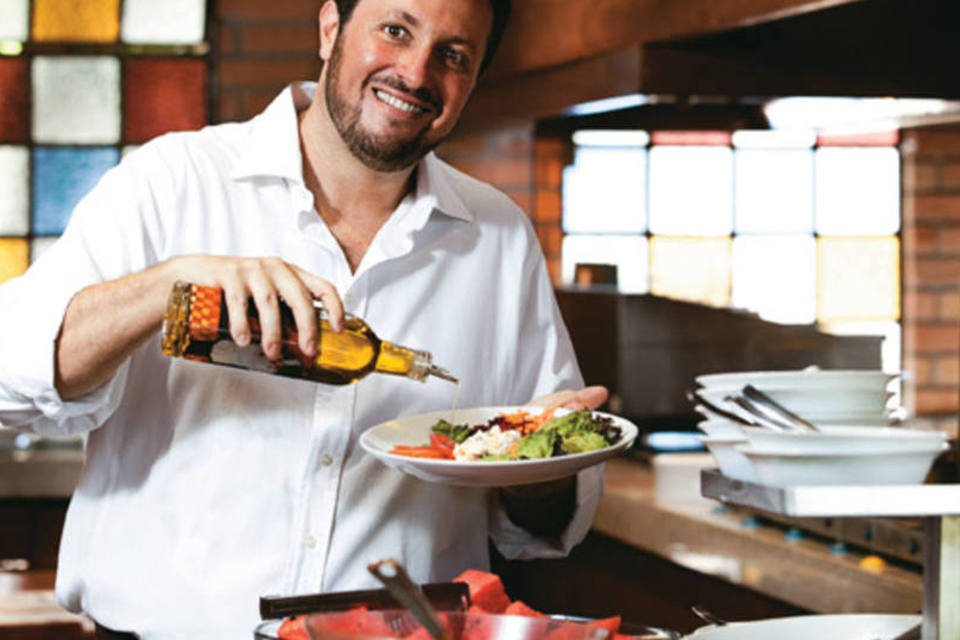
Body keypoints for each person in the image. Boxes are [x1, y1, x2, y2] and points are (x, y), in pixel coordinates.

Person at [0, 0, 609, 637]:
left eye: (453, 55)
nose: (416, 72)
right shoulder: (173, 182)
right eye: (395, 31)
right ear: (329, 29)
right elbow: (14, 381)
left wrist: (542, 464)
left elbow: (540, 527)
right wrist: (164, 288)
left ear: (475, 78)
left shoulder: (499, 238)